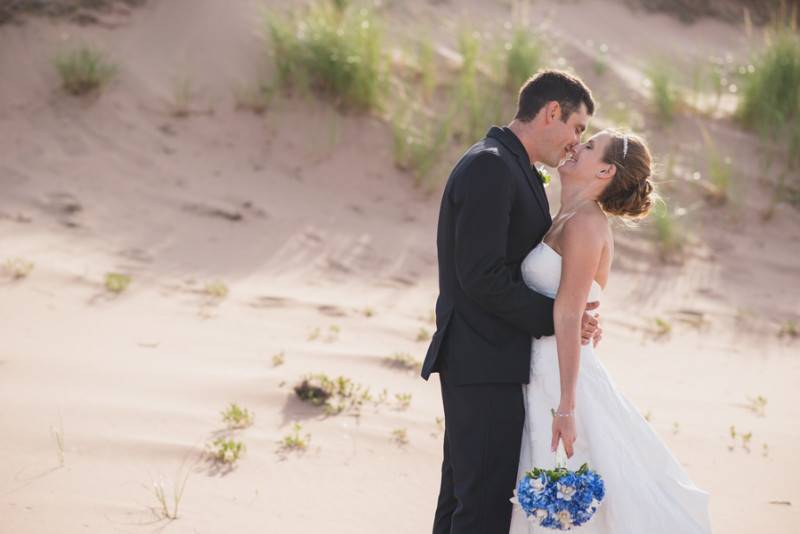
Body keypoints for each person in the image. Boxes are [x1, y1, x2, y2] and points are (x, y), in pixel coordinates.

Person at [421, 70, 601, 534]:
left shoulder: (512, 167)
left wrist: (571, 313)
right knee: (479, 509)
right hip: (481, 361)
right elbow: (480, 276)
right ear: (552, 112)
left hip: (494, 361)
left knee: (465, 499)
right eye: (577, 128)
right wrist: (556, 319)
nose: (575, 142)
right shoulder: (491, 165)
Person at [508, 129, 712, 533]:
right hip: (541, 368)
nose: (575, 147)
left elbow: (568, 315)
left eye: (587, 146)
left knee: (569, 498)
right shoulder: (566, 216)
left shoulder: (585, 223)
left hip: (561, 375)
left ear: (604, 170)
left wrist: (566, 405)